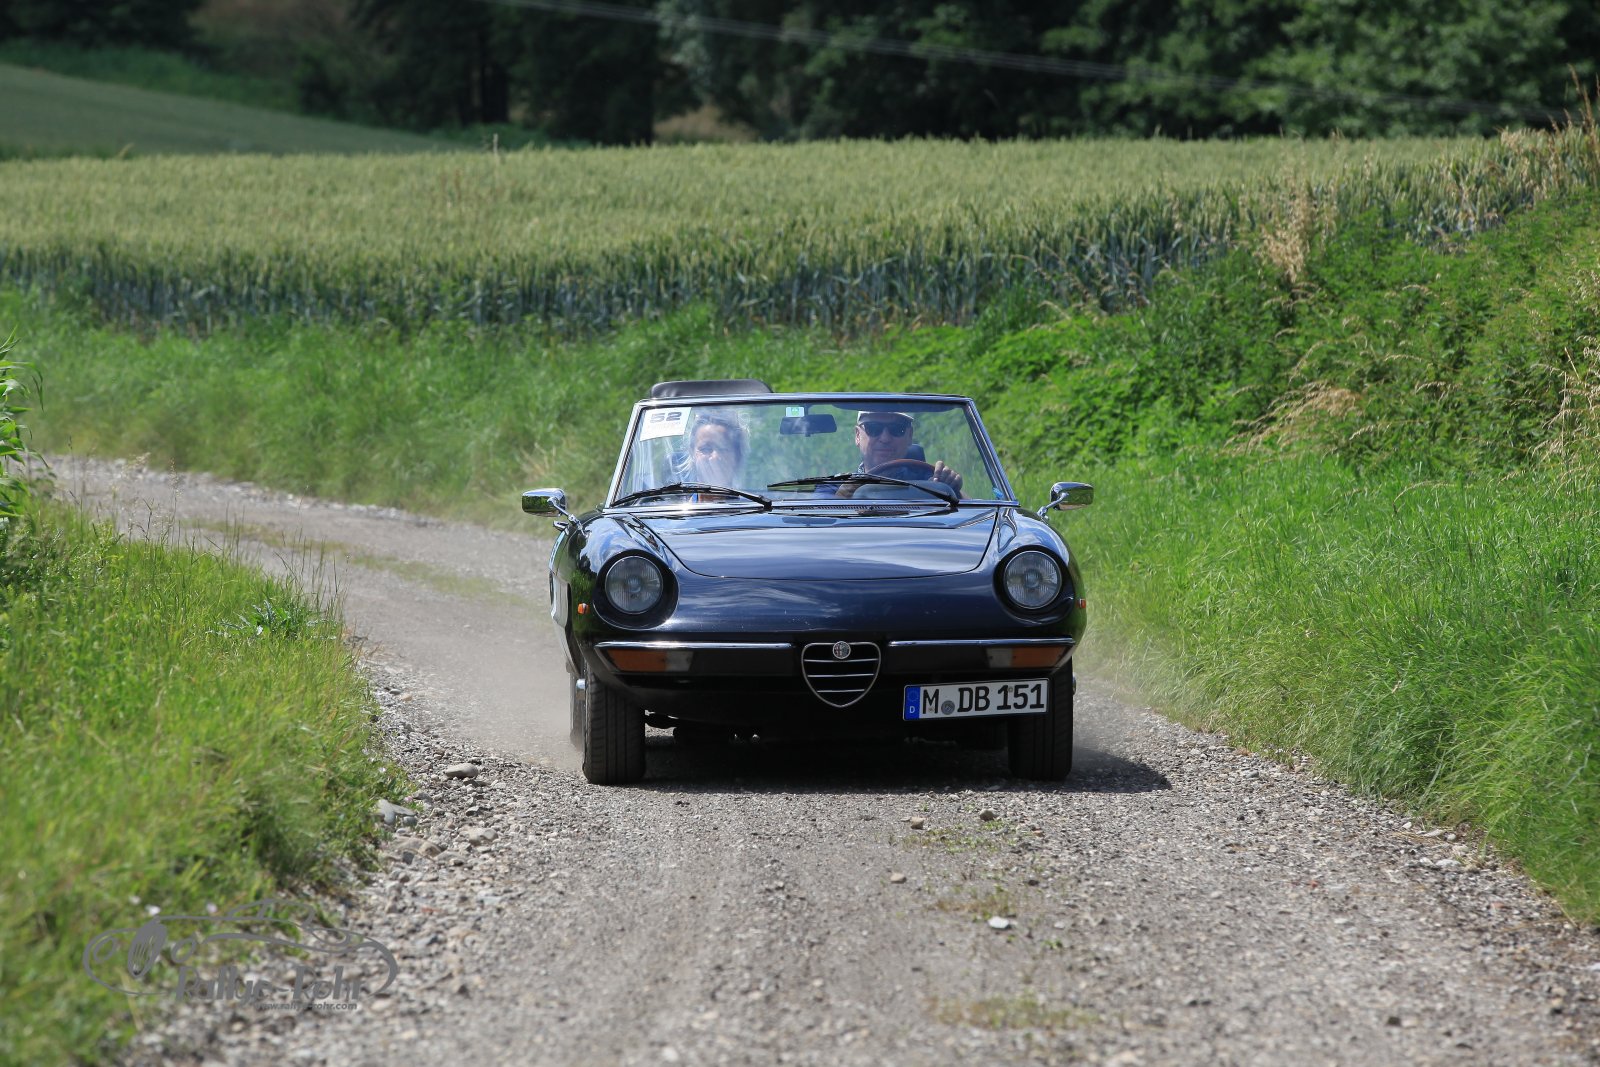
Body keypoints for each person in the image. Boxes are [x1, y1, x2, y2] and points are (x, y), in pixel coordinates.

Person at [836, 410, 963, 496]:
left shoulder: (932, 483)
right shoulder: (834, 486)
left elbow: (969, 515)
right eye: (873, 428)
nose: (885, 438)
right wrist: (841, 498)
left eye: (897, 429)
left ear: (910, 436)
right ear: (858, 435)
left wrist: (952, 488)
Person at [686, 411, 748, 487]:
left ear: (737, 456)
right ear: (692, 453)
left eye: (723, 449)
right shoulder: (675, 494)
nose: (715, 457)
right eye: (706, 449)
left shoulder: (756, 494)